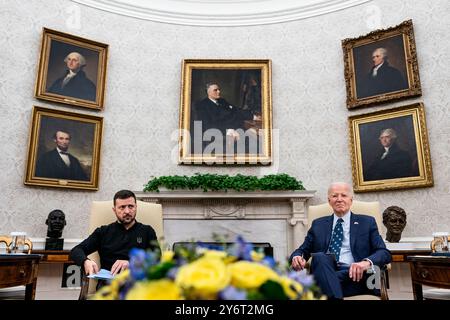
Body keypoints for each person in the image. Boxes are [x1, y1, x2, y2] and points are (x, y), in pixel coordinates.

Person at [290, 182, 391, 299]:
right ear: (329, 201)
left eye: (343, 195)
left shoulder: (367, 222)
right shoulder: (318, 224)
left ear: (351, 200)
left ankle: (322, 283)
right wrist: (297, 257)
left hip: (357, 277)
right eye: (334, 196)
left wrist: (365, 263)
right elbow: (303, 250)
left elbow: (384, 253)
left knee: (317, 281)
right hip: (327, 269)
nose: (339, 199)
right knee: (320, 257)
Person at [70, 190, 159, 282]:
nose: (127, 211)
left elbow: (157, 259)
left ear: (136, 207)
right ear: (114, 210)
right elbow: (76, 251)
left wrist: (132, 264)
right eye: (122, 207)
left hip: (138, 285)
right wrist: (85, 261)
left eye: (131, 206)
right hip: (109, 287)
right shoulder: (103, 232)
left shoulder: (147, 231)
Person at [191, 82, 259, 153]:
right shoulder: (202, 105)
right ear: (208, 92)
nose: (219, 91)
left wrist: (253, 117)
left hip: (236, 129)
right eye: (215, 90)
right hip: (221, 135)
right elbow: (207, 125)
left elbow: (236, 110)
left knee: (256, 139)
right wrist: (227, 131)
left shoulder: (222, 101)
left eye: (219, 89)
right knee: (251, 146)